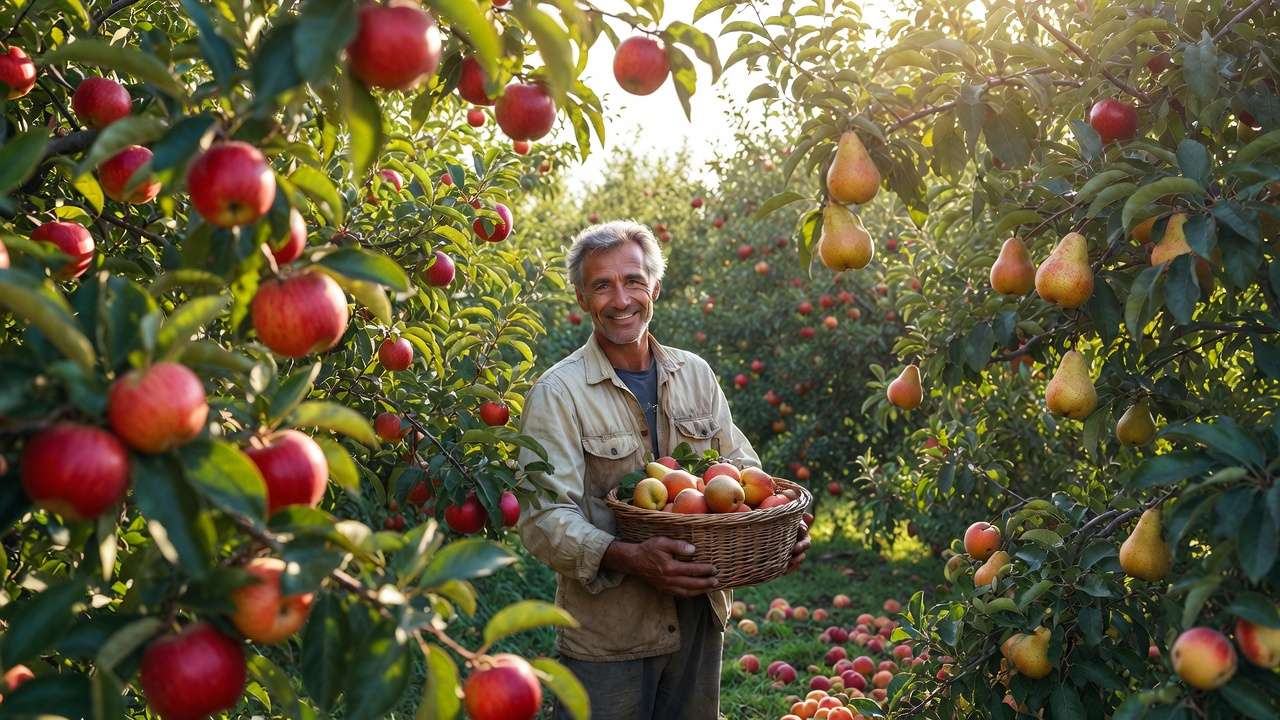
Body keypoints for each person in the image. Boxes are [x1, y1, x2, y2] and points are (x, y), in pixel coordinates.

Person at [515, 220, 811, 720]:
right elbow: (542, 519)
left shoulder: (694, 374)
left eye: (633, 280)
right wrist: (629, 556)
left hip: (700, 615)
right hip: (610, 632)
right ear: (582, 299)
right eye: (602, 285)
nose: (621, 298)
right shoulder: (558, 393)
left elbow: (740, 469)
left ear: (654, 287)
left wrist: (779, 527)